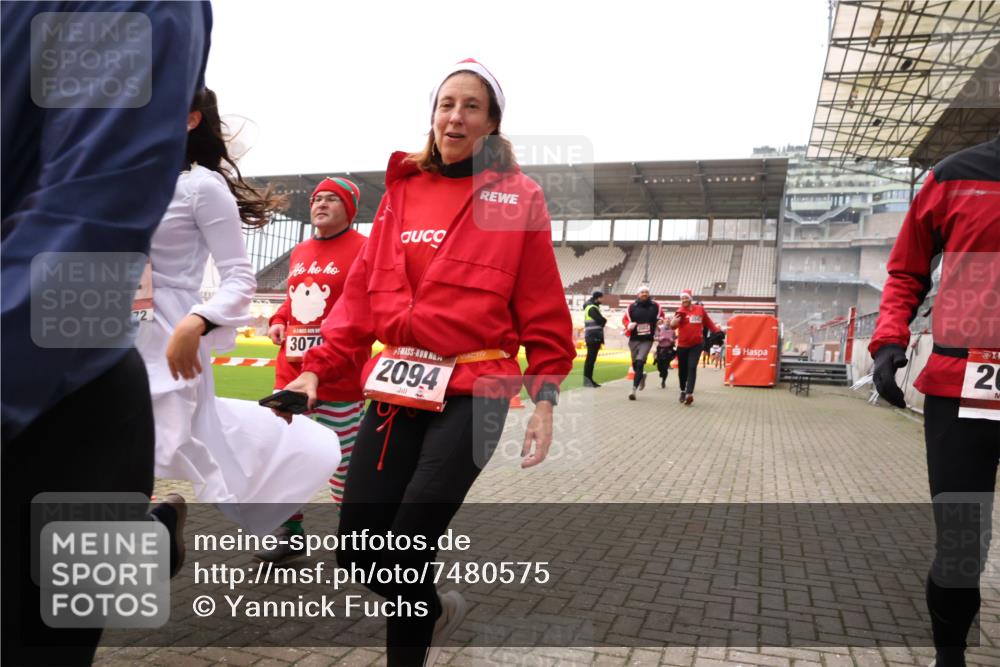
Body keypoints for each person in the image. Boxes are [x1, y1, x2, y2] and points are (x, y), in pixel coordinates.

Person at [277, 58, 575, 667]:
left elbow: (543, 302)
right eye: (446, 104)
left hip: (477, 387)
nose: (455, 116)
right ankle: (433, 610)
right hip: (397, 385)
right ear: (432, 116)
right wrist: (315, 368)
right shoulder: (403, 190)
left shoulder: (518, 197)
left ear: (491, 124)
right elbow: (359, 297)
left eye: (471, 106)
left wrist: (544, 398)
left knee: (407, 546)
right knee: (359, 553)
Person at [1, 3, 211, 664]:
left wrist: (198, 319)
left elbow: (91, 218)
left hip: (66, 373)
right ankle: (147, 532)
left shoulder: (204, 188)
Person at [136, 88, 341, 537]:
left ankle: (157, 529)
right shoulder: (121, 180)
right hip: (110, 332)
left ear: (191, 119)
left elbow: (239, 277)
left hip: (171, 339)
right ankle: (154, 525)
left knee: (155, 440)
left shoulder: (201, 187)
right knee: (109, 441)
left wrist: (198, 321)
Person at [869, 135, 999, 667]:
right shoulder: (953, 175)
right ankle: (950, 656)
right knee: (962, 543)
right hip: (963, 384)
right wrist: (888, 339)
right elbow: (907, 270)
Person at [255, 176, 368, 562]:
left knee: (343, 463)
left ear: (349, 208)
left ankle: (356, 535)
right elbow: (293, 300)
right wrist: (278, 319)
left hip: (339, 377)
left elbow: (360, 311)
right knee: (285, 456)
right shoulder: (301, 250)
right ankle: (290, 532)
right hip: (291, 375)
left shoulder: (364, 249)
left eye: (332, 199)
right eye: (317, 198)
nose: (320, 204)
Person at [670, 289, 720, 406]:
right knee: (682, 371)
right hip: (683, 345)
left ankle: (689, 394)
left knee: (692, 367)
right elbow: (673, 327)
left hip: (697, 344)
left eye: (686, 298)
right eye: (682, 298)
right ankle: (683, 390)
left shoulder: (700, 309)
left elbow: (708, 322)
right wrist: (673, 323)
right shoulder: (680, 311)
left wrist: (717, 331)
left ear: (690, 299)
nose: (684, 300)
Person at [622, 285, 663, 400]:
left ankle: (633, 390)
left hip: (647, 339)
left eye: (646, 292)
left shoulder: (655, 306)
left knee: (640, 362)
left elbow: (661, 316)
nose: (644, 294)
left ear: (648, 294)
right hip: (634, 339)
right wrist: (628, 325)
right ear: (638, 294)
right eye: (642, 292)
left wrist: (660, 321)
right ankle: (642, 376)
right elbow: (625, 319)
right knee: (635, 365)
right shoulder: (631, 307)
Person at [582, 290, 607, 387]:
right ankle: (588, 381)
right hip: (593, 336)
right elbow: (601, 320)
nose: (602, 299)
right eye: (601, 298)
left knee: (590, 359)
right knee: (590, 360)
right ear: (597, 298)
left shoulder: (590, 307)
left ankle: (588, 381)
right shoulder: (592, 308)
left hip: (592, 336)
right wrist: (605, 320)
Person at [654, 319, 677, 388]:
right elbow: (655, 337)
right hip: (660, 349)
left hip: (668, 350)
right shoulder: (660, 329)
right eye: (667, 321)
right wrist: (660, 338)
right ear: (664, 322)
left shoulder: (673, 330)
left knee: (665, 366)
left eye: (669, 322)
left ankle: (663, 381)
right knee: (659, 365)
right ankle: (661, 372)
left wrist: (672, 340)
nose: (668, 323)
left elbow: (674, 340)